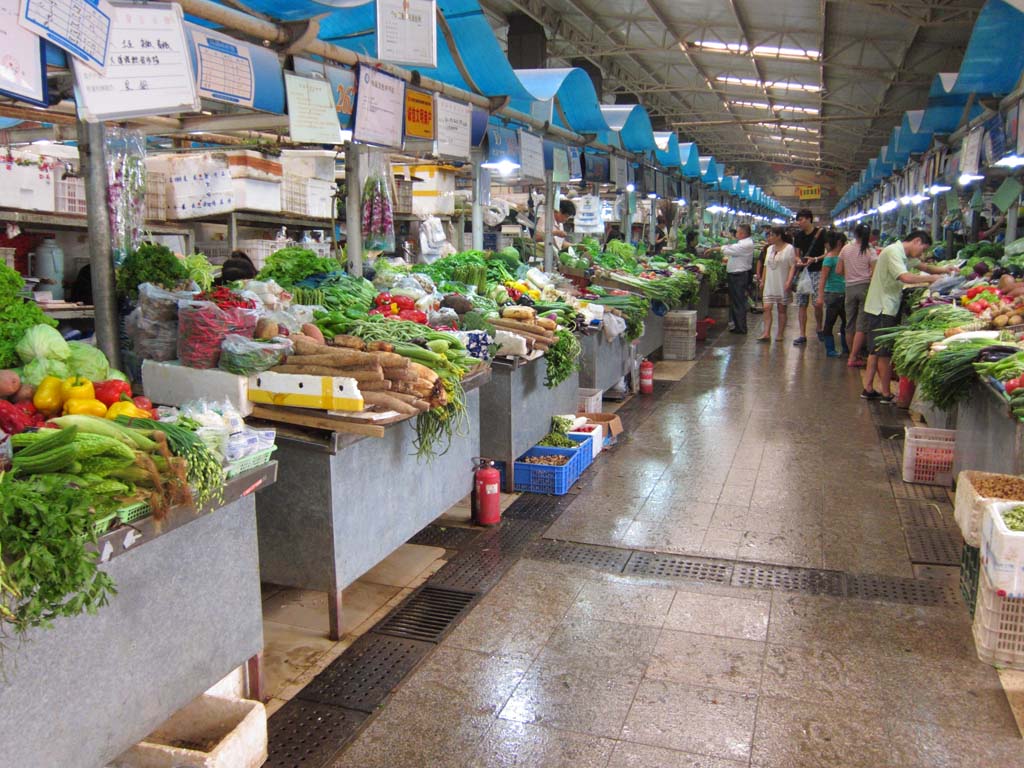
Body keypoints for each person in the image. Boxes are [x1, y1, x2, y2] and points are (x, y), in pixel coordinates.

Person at [860, 231, 955, 402]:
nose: (922, 254)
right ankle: (886, 393)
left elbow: (924, 267)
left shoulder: (903, 253)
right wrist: (931, 279)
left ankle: (867, 388)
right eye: (922, 249)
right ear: (916, 241)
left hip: (880, 306)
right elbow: (905, 277)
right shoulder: (893, 252)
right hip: (882, 307)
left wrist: (944, 270)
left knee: (875, 350)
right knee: (883, 352)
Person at [839, 223, 877, 368]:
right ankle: (854, 357)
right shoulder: (870, 251)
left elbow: (838, 270)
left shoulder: (846, 249)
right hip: (865, 288)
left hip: (849, 288)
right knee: (861, 325)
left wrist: (850, 276)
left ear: (854, 234)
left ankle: (851, 354)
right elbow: (874, 273)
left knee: (850, 323)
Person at [791, 209, 828, 346]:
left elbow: (829, 252)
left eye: (801, 219)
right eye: (798, 220)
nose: (799, 222)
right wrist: (798, 260)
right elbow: (796, 254)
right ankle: (802, 334)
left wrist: (816, 259)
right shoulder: (798, 235)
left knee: (818, 303)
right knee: (802, 304)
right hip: (803, 273)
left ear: (808, 219)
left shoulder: (821, 233)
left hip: (818, 272)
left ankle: (819, 327)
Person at [710, 224, 755, 335]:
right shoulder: (743, 243)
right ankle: (737, 325)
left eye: (738, 232)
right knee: (736, 301)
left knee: (739, 301)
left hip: (739, 276)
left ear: (743, 233)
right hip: (736, 275)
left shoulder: (745, 244)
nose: (736, 234)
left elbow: (730, 249)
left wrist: (714, 249)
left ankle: (741, 328)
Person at [755, 226, 796, 342]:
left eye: (772, 235)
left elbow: (792, 265)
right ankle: (766, 333)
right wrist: (763, 280)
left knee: (781, 308)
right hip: (770, 282)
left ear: (779, 236)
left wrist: (789, 281)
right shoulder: (769, 249)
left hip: (782, 281)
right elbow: (765, 266)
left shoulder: (789, 248)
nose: (769, 237)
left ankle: (780, 333)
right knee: (767, 307)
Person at [816, 231, 848, 359]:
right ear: (840, 243)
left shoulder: (843, 257)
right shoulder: (829, 258)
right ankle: (830, 349)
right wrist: (820, 296)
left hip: (844, 293)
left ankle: (845, 348)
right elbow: (823, 278)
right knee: (830, 321)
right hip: (832, 294)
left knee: (846, 322)